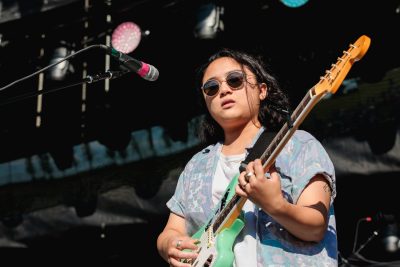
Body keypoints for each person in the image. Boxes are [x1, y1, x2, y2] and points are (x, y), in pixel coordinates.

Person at [156, 48, 337, 266]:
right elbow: (172, 230)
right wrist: (169, 245)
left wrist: (276, 205)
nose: (223, 90)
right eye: (211, 87)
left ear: (262, 90)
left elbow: (316, 227)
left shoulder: (297, 144)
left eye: (234, 80)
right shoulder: (196, 165)